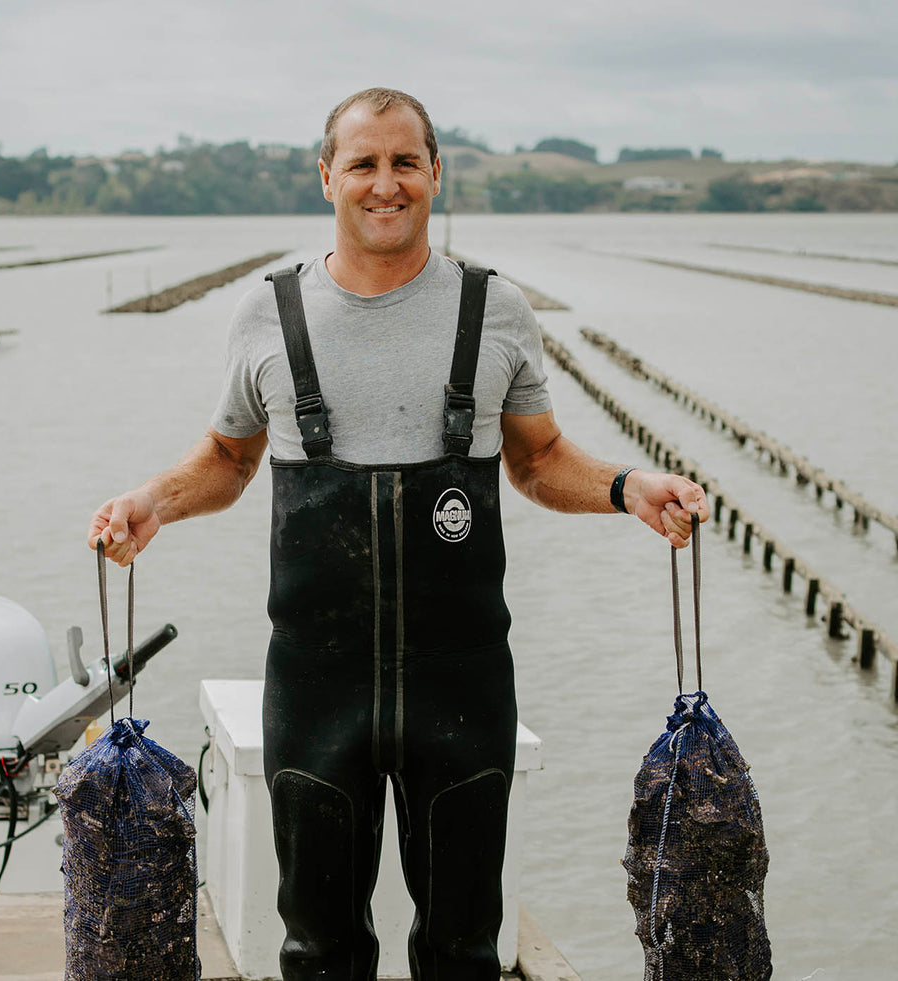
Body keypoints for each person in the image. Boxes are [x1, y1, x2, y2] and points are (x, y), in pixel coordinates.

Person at [89, 87, 709, 981]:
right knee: (319, 949)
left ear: (434, 173)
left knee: (463, 949)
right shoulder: (269, 313)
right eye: (364, 164)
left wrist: (626, 486)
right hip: (315, 689)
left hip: (460, 689)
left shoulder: (494, 309)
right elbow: (227, 460)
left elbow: (537, 461)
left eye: (404, 162)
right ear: (327, 178)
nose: (385, 184)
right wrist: (154, 500)